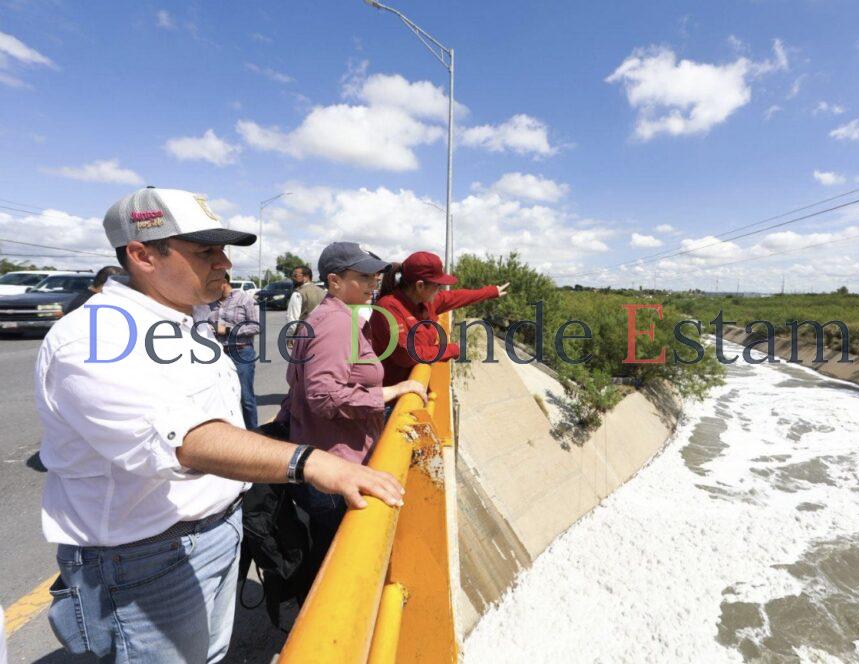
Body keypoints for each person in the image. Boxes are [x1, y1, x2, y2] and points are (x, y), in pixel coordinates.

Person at [35, 187, 404, 664]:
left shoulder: (188, 323)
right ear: (142, 254)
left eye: (223, 250)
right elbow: (186, 440)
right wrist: (311, 463)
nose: (224, 263)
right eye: (205, 251)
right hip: (143, 559)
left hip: (208, 536)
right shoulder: (94, 336)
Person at [285, 242, 428, 574]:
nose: (373, 283)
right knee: (336, 564)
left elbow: (298, 383)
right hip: (336, 467)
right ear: (334, 281)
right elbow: (322, 395)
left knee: (324, 553)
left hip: (322, 460)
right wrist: (390, 391)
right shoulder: (336, 322)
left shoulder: (324, 316)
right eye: (363, 276)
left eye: (374, 276)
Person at [369, 251, 509, 387]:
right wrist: (452, 349)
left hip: (416, 389)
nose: (440, 289)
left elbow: (456, 297)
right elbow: (407, 355)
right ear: (420, 286)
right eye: (437, 285)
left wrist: (491, 292)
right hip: (392, 403)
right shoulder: (388, 308)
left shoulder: (425, 301)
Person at [194, 274, 261, 430]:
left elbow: (256, 327)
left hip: (241, 352)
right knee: (221, 396)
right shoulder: (209, 303)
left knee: (246, 398)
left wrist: (227, 330)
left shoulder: (245, 300)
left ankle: (254, 434)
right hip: (218, 354)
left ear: (223, 282)